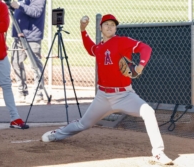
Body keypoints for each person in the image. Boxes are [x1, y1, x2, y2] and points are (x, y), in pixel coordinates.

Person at [41, 14, 173, 165]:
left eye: (113, 24)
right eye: (106, 24)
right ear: (101, 28)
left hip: (124, 95)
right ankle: (57, 134)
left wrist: (141, 65)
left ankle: (158, 152)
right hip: (103, 96)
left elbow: (145, 48)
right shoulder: (99, 47)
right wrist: (83, 30)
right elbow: (90, 48)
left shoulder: (122, 41)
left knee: (148, 111)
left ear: (116, 28)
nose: (110, 27)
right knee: (83, 124)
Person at [0, 0, 29, 129]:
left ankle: (15, 118)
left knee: (7, 86)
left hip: (0, 56)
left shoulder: (1, 6)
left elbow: (4, 26)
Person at [10, 0, 46, 104]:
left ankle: (39, 92)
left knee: (35, 64)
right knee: (15, 62)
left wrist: (19, 6)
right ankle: (22, 91)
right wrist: (12, 5)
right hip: (20, 34)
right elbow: (21, 8)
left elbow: (36, 12)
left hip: (32, 35)